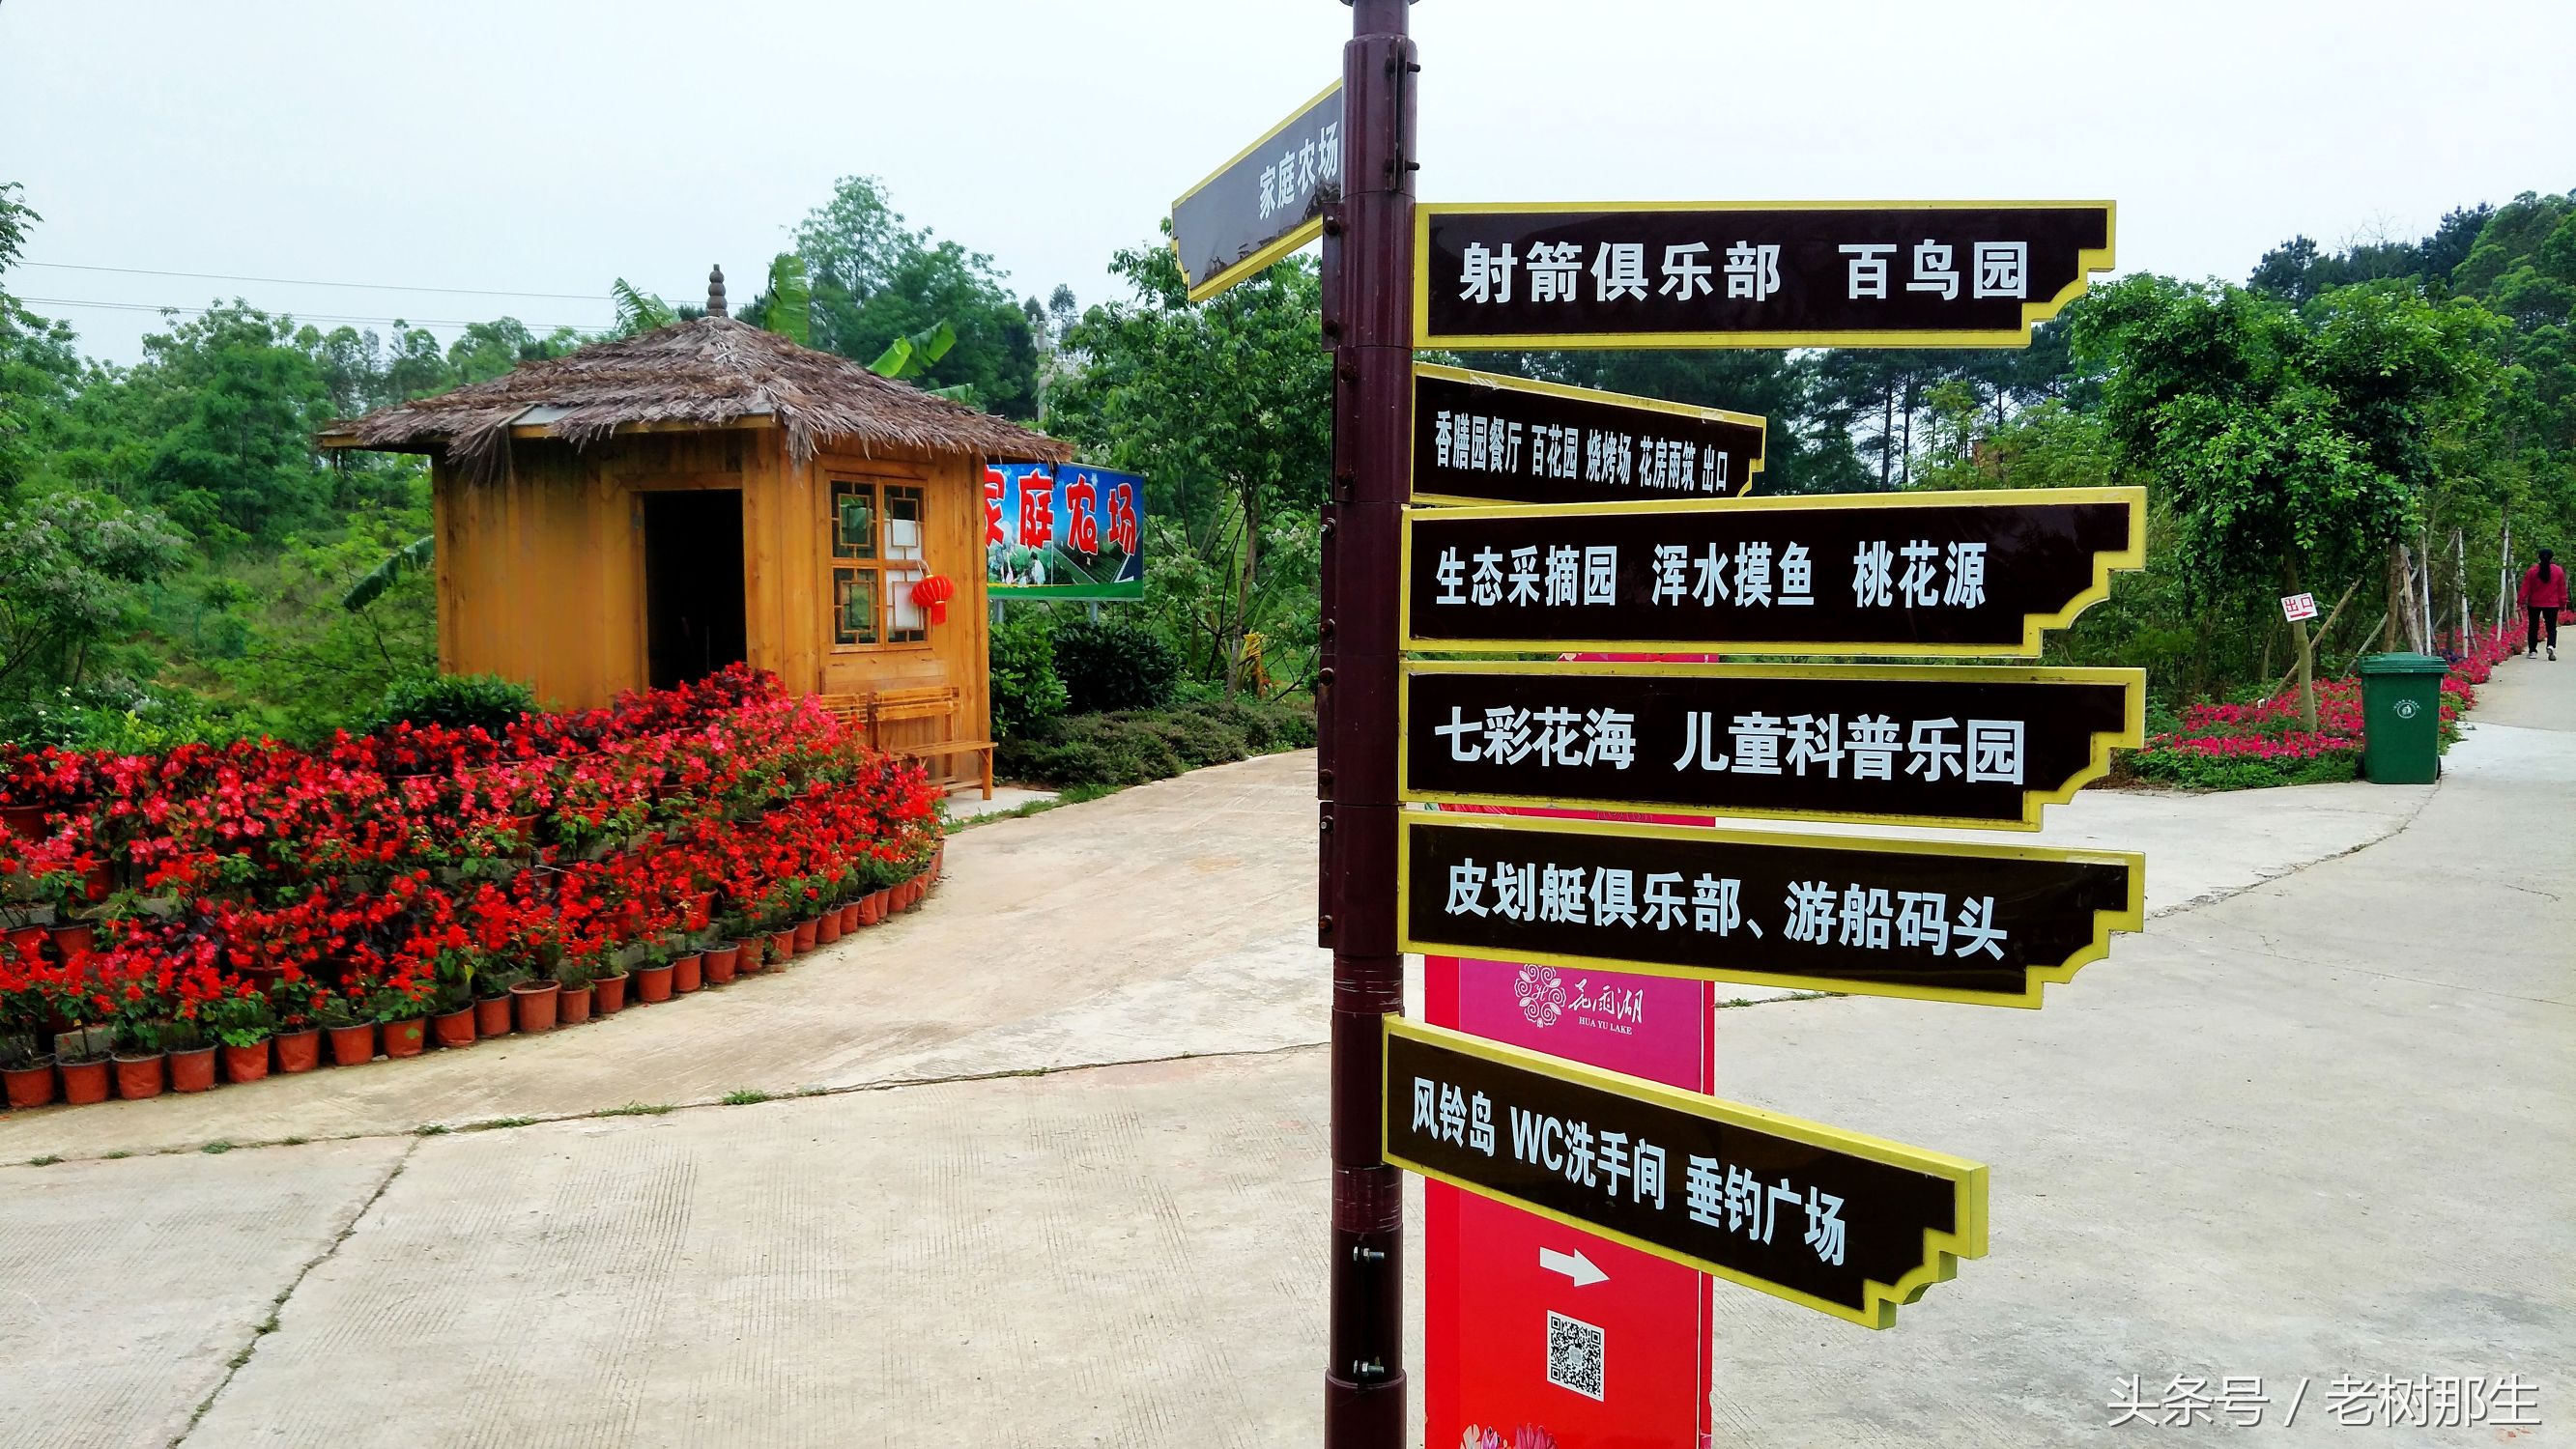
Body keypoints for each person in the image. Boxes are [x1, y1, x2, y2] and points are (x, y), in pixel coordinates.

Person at [2521, 547, 2567, 660]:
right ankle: (2551, 645)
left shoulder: (2532, 571)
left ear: (2539, 557)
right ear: (2552, 557)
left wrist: (2520, 602)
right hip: (2552, 604)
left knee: (2533, 627)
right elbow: (2561, 589)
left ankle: (2532, 651)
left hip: (2534, 603)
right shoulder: (2558, 571)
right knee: (2551, 627)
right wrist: (2563, 603)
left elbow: (2525, 588)